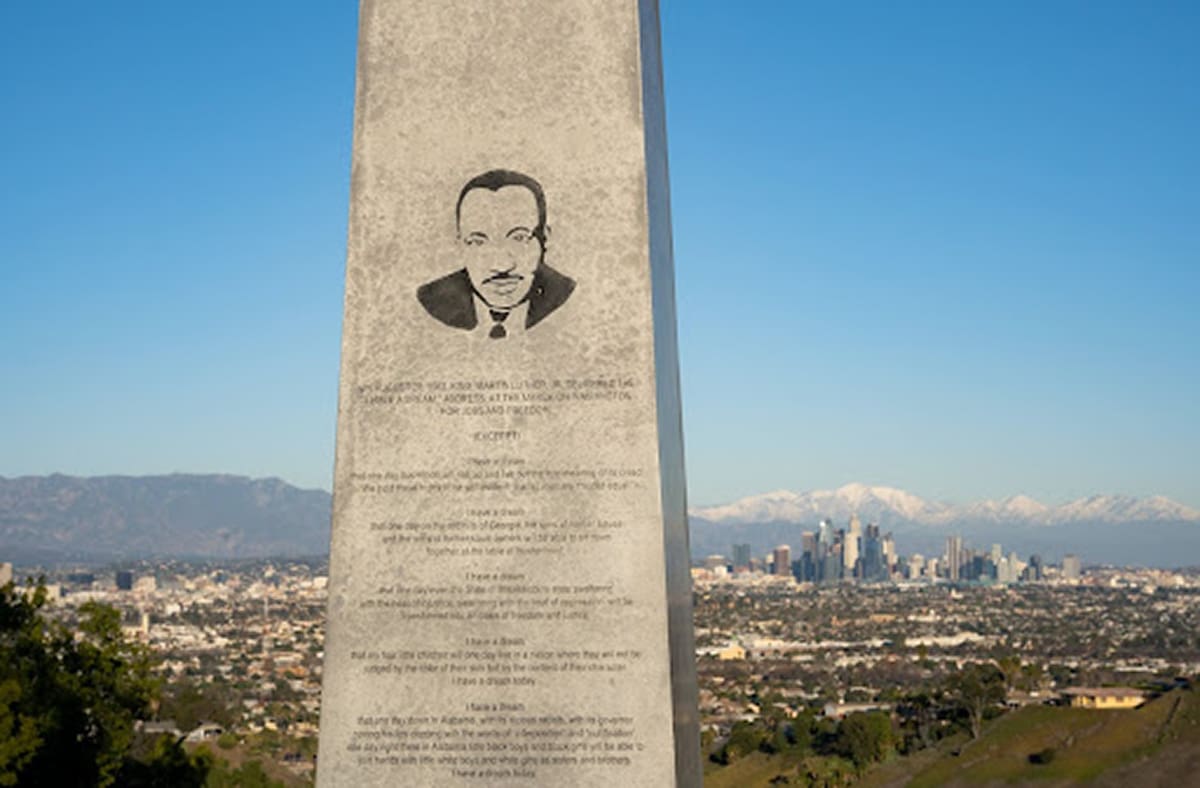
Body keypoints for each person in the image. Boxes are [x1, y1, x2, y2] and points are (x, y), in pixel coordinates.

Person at [417, 169, 575, 338]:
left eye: (519, 238)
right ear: (460, 245)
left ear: (545, 239)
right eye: (478, 241)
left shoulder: (568, 301)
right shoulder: (433, 300)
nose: (501, 266)